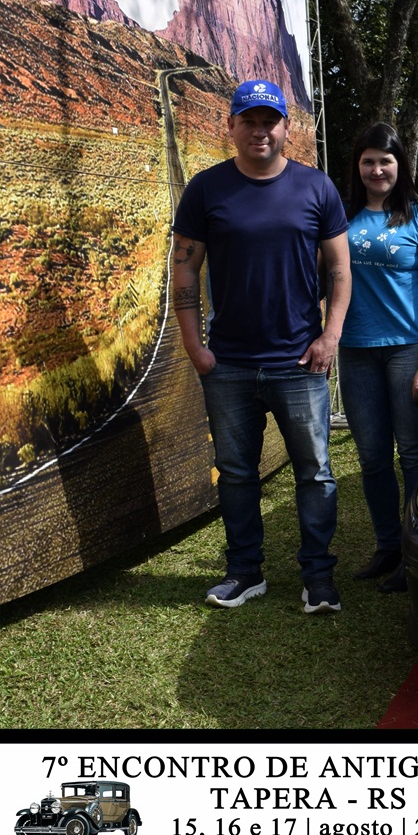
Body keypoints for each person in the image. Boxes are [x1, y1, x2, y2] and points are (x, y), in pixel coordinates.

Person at [173, 80, 350, 613]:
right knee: (235, 473)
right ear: (230, 126)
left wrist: (330, 337)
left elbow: (340, 271)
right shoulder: (206, 190)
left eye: (269, 121)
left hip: (299, 362)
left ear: (285, 128)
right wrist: (195, 348)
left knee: (314, 472)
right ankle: (244, 572)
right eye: (248, 121)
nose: (259, 131)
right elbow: (185, 270)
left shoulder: (317, 188)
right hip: (228, 363)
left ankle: (318, 577)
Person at [341, 123, 418, 593]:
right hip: (356, 351)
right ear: (357, 167)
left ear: (400, 165)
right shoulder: (343, 215)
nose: (376, 169)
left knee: (412, 456)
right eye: (368, 161)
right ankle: (387, 546)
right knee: (372, 458)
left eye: (385, 161)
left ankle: (415, 551)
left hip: (409, 351)